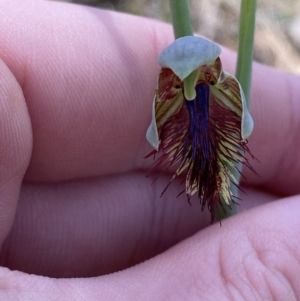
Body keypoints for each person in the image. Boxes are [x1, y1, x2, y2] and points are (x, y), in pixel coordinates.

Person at [0, 0, 299, 299]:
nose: (192, 84)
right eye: (181, 78)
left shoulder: (218, 87)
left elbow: (239, 120)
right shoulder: (182, 91)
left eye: (202, 75)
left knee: (220, 187)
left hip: (211, 133)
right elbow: (165, 128)